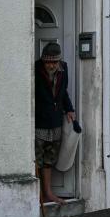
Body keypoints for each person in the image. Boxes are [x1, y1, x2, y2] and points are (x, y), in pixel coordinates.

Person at [35, 42, 76, 205]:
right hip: (39, 121)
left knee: (49, 160)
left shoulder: (63, 69)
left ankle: (48, 193)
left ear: (59, 61)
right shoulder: (35, 69)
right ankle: (37, 195)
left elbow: (63, 92)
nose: (50, 65)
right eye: (47, 62)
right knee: (37, 159)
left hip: (55, 121)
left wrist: (70, 109)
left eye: (53, 62)